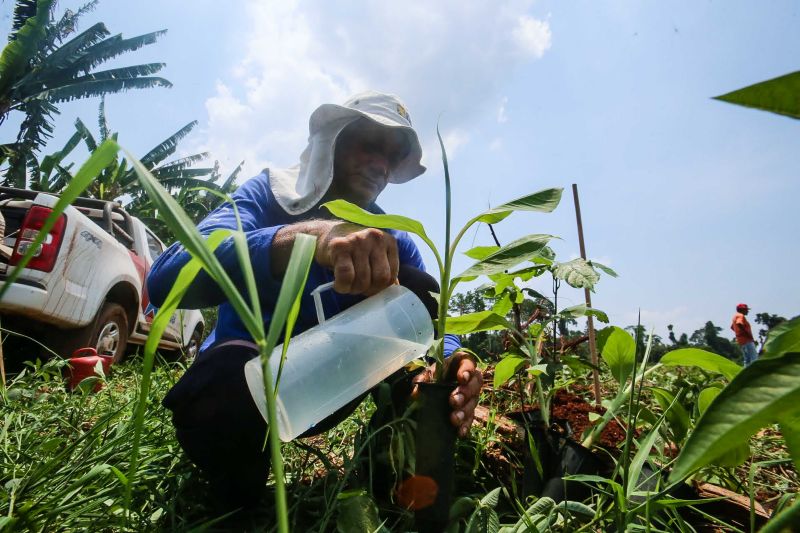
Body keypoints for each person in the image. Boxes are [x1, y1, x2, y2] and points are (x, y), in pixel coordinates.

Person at [146, 91, 483, 509]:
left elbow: (433, 328)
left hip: (337, 383)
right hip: (250, 385)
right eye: (370, 144)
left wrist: (453, 360)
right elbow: (166, 277)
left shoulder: (392, 240)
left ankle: (390, 478)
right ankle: (239, 496)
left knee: (416, 295)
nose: (381, 164)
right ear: (333, 141)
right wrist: (308, 239)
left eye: (392, 156)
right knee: (217, 393)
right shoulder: (271, 195)